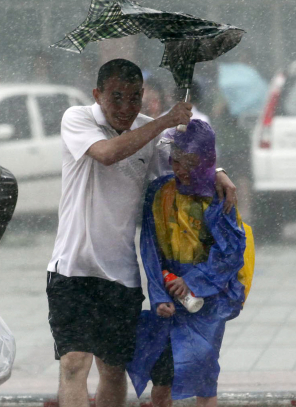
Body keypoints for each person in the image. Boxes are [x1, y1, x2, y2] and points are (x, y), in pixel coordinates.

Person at [45, 59, 237, 407]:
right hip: (72, 269)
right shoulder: (78, 118)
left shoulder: (152, 132)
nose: (125, 107)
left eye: (134, 97)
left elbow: (187, 167)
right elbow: (106, 153)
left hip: (122, 275)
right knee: (74, 364)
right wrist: (166, 121)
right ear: (97, 94)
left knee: (114, 370)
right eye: (116, 97)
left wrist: (218, 171)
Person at [127, 120, 254, 407]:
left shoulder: (219, 197)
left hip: (207, 300)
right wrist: (159, 294)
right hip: (170, 288)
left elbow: (231, 252)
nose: (181, 169)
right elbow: (150, 248)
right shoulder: (159, 193)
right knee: (162, 378)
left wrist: (195, 281)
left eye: (191, 162)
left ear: (207, 160)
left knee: (204, 376)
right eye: (176, 161)